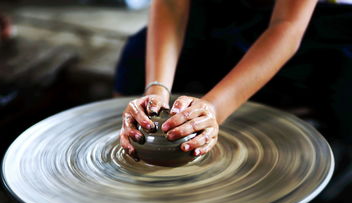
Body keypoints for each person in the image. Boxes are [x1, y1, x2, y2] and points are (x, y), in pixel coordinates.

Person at [116, 0, 352, 159]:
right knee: (136, 59)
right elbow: (171, 5)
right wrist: (156, 90)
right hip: (219, 12)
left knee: (344, 86)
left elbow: (287, 25)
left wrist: (215, 108)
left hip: (301, 23)